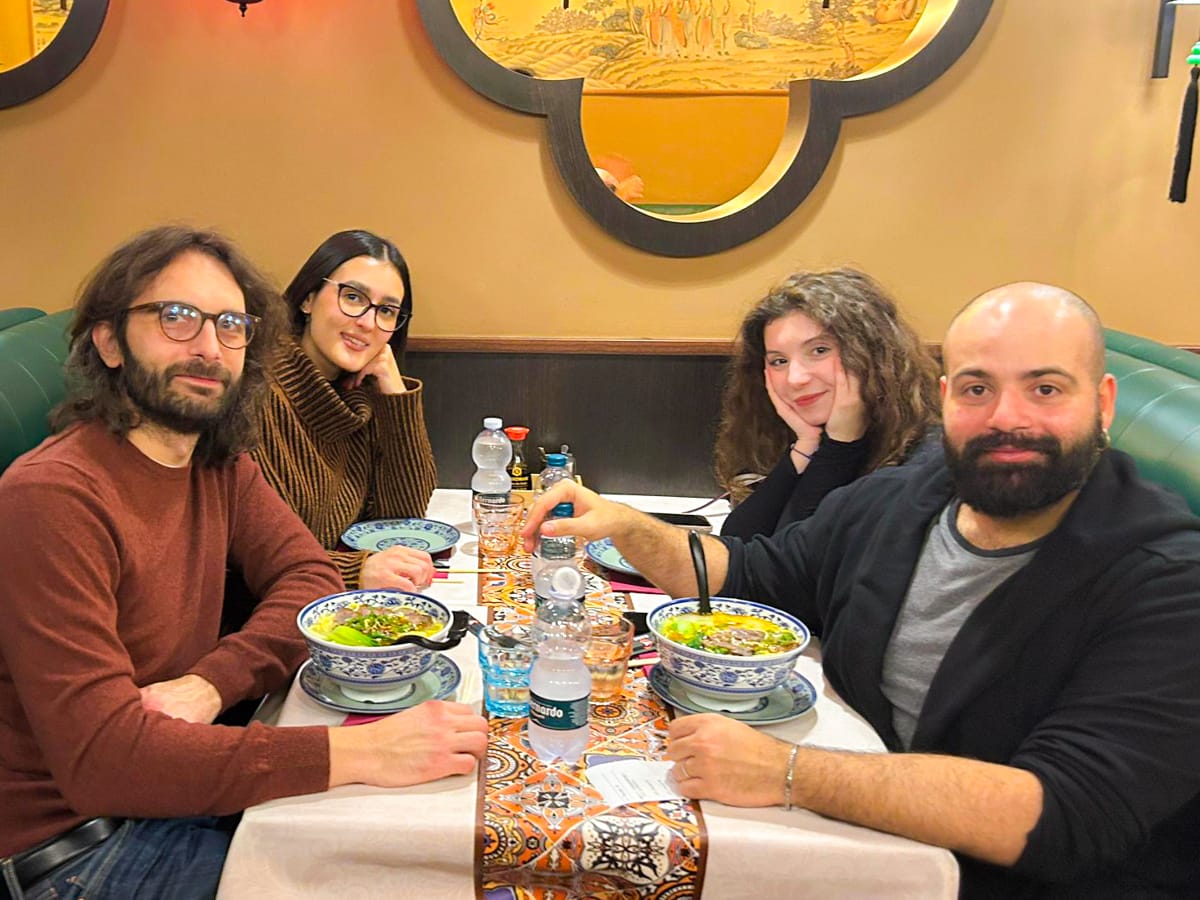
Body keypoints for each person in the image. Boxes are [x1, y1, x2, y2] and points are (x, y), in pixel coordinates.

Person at [521, 283, 1200, 897]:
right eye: (977, 389)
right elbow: (751, 572)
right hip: (865, 844)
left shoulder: (1170, 579)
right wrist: (628, 526)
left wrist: (787, 773)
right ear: (946, 399)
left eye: (1045, 389)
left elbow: (1066, 813)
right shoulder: (908, 498)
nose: (1006, 418)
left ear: (1102, 404)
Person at [0, 227, 487, 900]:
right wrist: (363, 752)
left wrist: (212, 682)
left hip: (178, 786)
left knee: (435, 849)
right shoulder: (51, 497)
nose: (209, 346)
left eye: (231, 325)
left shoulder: (214, 460)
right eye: (177, 317)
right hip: (78, 850)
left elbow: (311, 578)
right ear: (109, 341)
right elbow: (105, 762)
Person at [253, 230, 438, 592]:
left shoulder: (356, 397)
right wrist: (353, 572)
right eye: (353, 297)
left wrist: (393, 390)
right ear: (308, 298)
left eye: (386, 311)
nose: (367, 323)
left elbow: (403, 520)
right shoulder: (256, 394)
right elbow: (250, 557)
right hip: (269, 611)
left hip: (324, 601)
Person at [716, 268, 940, 540]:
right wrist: (806, 447)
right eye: (779, 361)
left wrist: (840, 447)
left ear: (872, 353)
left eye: (819, 350)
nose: (795, 378)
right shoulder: (797, 437)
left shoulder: (926, 463)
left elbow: (798, 559)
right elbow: (736, 544)